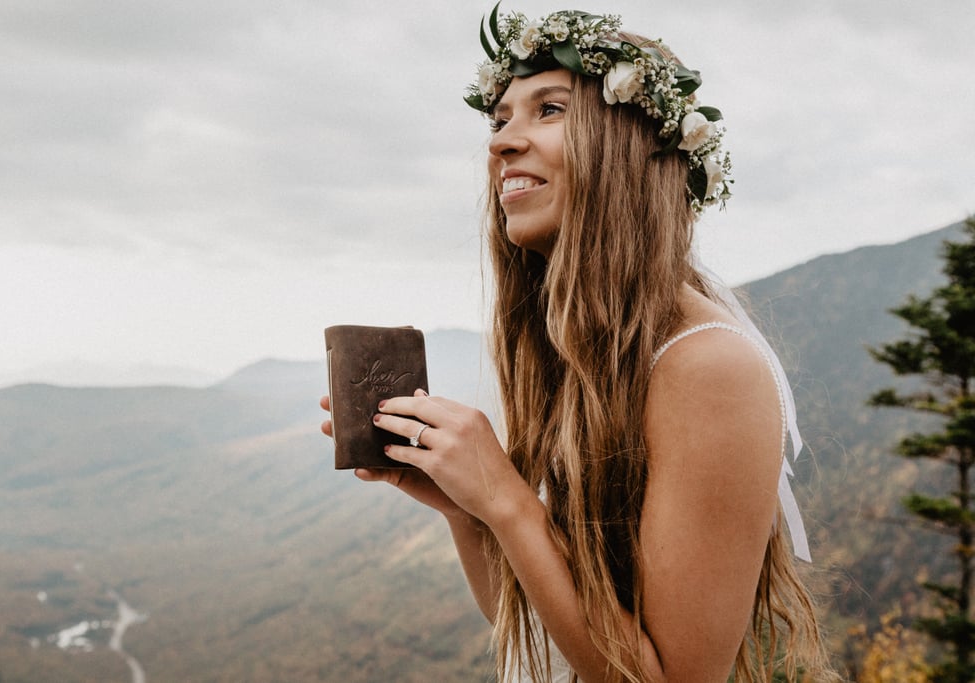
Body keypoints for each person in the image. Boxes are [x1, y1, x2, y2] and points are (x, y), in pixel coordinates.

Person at [321, 6, 838, 682]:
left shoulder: (707, 365)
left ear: (628, 145)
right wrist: (466, 508)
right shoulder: (581, 350)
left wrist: (506, 498)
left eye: (549, 109)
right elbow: (542, 632)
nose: (501, 142)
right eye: (500, 117)